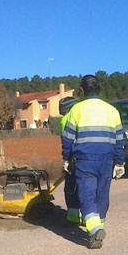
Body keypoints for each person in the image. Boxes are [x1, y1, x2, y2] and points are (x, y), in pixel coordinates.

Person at [61, 75, 125, 249]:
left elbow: (67, 138)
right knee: (101, 195)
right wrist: (120, 162)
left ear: (81, 91)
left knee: (86, 194)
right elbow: (120, 139)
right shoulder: (112, 111)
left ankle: (94, 228)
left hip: (85, 159)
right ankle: (98, 228)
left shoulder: (76, 110)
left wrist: (66, 158)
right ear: (100, 89)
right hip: (107, 159)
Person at [58, 96, 80, 225]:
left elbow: (66, 142)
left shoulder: (64, 120)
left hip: (73, 157)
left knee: (71, 187)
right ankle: (78, 214)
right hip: (79, 156)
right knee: (77, 186)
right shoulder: (72, 118)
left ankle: (73, 214)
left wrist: (67, 160)